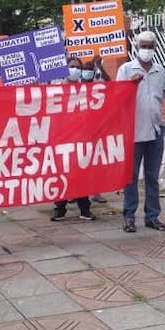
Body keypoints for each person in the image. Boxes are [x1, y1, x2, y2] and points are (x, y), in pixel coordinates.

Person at [116, 31, 165, 233]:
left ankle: (152, 216)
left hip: (155, 130)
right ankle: (129, 216)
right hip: (133, 132)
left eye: (150, 46)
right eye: (143, 46)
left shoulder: (160, 71)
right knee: (130, 177)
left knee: (152, 176)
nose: (147, 50)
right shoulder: (126, 69)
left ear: (155, 48)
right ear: (136, 47)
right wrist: (132, 84)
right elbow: (117, 98)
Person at [53, 57, 95, 221]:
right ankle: (59, 208)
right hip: (61, 138)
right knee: (61, 174)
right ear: (65, 68)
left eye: (78, 67)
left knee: (81, 174)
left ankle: (85, 209)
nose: (75, 69)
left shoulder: (84, 90)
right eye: (72, 66)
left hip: (80, 138)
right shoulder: (55, 90)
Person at [85, 56, 111, 203]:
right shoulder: (76, 84)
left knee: (97, 159)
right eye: (86, 69)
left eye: (90, 69)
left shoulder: (100, 81)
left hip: (98, 127)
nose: (88, 72)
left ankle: (96, 191)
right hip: (80, 129)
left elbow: (112, 84)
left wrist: (100, 67)